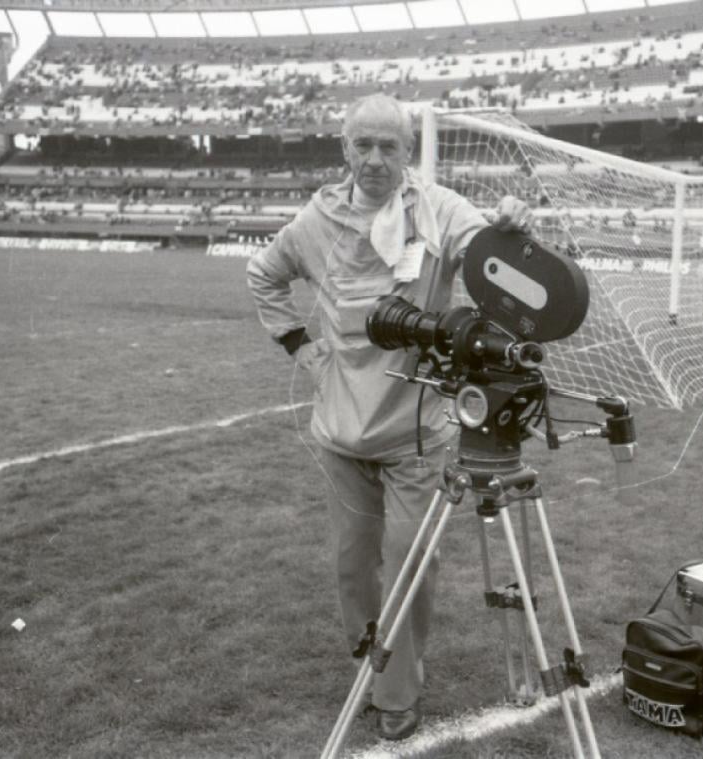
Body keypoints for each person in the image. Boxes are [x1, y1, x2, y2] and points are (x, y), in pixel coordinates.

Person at [246, 94, 532, 741]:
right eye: (363, 145)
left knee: (409, 563)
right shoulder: (315, 220)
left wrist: (509, 223)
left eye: (389, 146)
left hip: (417, 435)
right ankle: (368, 657)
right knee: (352, 563)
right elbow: (263, 276)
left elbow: (486, 247)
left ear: (408, 152)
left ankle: (396, 690)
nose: (375, 158)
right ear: (344, 149)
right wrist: (304, 348)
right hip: (341, 435)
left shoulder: (439, 209)